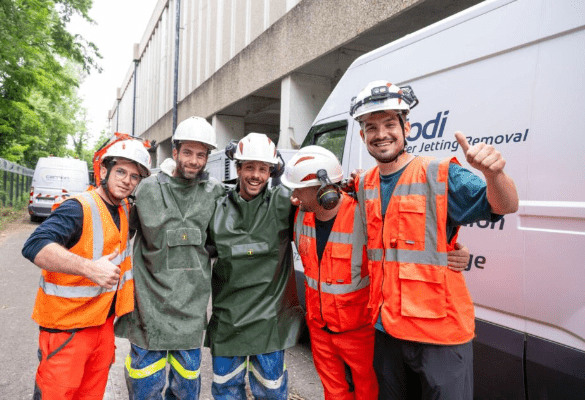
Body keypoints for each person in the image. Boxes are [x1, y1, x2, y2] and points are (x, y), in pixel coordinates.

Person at [350, 80, 519, 399]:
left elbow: (505, 205)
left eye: (390, 124)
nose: (381, 133)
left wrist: (494, 175)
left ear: (407, 128)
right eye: (371, 127)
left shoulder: (440, 173)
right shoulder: (364, 184)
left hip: (439, 337)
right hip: (386, 331)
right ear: (363, 136)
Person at [283, 145, 473, 400]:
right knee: (333, 393)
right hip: (319, 329)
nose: (294, 197)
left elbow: (411, 242)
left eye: (298, 190)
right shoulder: (299, 216)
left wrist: (452, 253)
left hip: (359, 331)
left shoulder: (365, 215)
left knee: (369, 392)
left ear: (324, 189)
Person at [22, 139, 151, 400]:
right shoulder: (78, 207)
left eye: (134, 176)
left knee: (91, 395)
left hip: (102, 325)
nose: (127, 181)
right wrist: (89, 268)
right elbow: (35, 245)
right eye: (121, 172)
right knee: (57, 393)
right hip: (67, 329)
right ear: (104, 171)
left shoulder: (124, 208)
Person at [114, 116, 226, 400]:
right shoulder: (146, 189)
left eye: (201, 154)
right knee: (145, 385)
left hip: (191, 308)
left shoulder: (215, 192)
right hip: (148, 306)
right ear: (174, 153)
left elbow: (228, 237)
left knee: (186, 386)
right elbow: (116, 230)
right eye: (187, 152)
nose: (194, 160)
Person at [205, 133, 303, 400]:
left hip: (270, 323)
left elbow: (316, 198)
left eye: (263, 169)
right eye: (249, 167)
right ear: (238, 168)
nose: (256, 175)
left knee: (271, 393)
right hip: (228, 321)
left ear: (272, 171)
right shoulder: (216, 207)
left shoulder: (284, 202)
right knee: (225, 392)